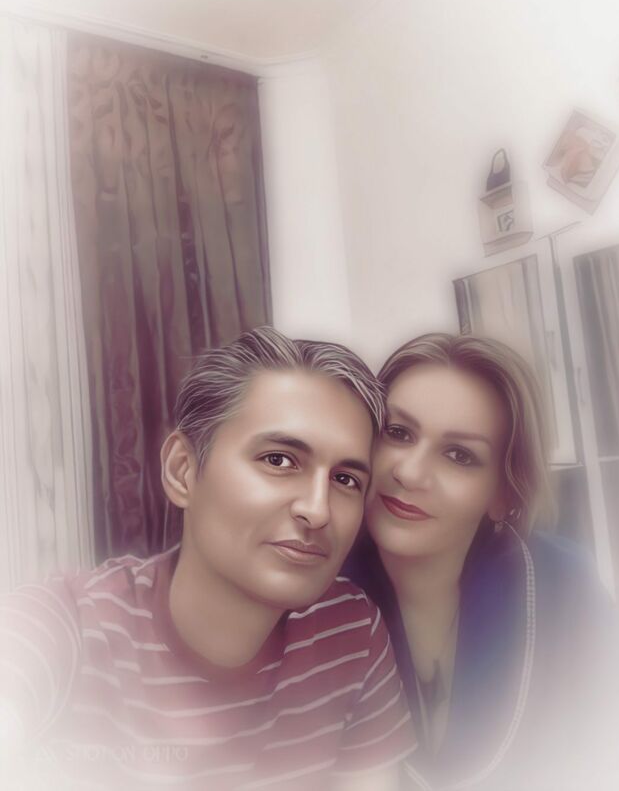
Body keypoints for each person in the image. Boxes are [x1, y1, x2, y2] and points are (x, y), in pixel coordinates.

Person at [0, 326, 416, 790]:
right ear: (182, 470)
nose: (318, 511)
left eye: (345, 480)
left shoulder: (351, 629)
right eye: (279, 460)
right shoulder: (70, 625)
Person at [345, 332, 619, 790]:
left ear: (503, 493)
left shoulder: (563, 587)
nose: (410, 472)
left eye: (459, 455)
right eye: (398, 433)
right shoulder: (316, 591)